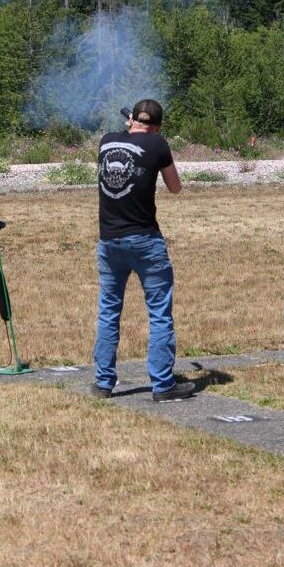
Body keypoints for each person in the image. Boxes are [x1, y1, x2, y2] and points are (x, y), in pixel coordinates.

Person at [92, 99, 195, 401]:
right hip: (145, 240)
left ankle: (103, 383)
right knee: (159, 313)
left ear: (132, 120)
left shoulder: (106, 141)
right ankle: (163, 385)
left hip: (109, 240)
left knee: (109, 311)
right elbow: (175, 187)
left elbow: (132, 139)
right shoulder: (158, 144)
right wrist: (157, 146)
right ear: (158, 126)